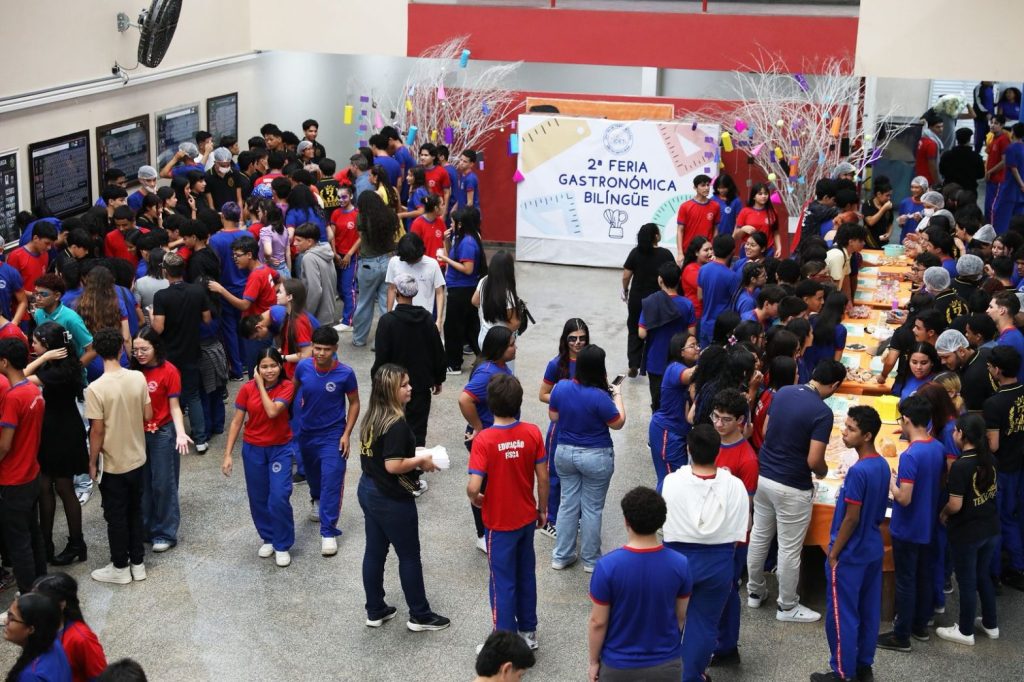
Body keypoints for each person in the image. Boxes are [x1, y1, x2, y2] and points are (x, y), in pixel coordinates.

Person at [747, 359, 846, 623]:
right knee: (789, 548)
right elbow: (814, 460)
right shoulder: (822, 412)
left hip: (764, 476)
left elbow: (766, 430)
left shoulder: (783, 393)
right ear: (835, 385)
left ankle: (755, 592)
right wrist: (823, 472)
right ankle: (787, 605)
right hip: (793, 485)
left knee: (759, 536)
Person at [357, 363, 449, 632]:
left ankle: (375, 609)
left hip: (368, 488)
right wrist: (421, 460)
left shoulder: (373, 416)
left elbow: (383, 454)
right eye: (404, 385)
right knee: (409, 556)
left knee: (375, 551)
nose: (410, 388)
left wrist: (414, 452)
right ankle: (420, 615)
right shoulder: (396, 424)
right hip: (390, 497)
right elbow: (393, 465)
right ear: (390, 391)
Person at [467, 374, 548, 649]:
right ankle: (528, 632)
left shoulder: (485, 440)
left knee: (502, 582)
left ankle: (504, 642)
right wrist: (542, 509)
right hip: (526, 517)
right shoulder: (532, 432)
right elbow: (543, 476)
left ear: (490, 404)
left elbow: (474, 485)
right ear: (518, 403)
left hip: (499, 523)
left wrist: (475, 497)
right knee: (526, 576)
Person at [661, 424, 748, 682]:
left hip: (676, 559)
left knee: (669, 620)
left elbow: (658, 521)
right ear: (718, 451)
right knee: (704, 624)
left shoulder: (671, 482)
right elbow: (741, 532)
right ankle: (691, 676)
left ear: (688, 449)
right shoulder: (735, 486)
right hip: (718, 561)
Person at [810, 406, 889, 682]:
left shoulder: (858, 472)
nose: (844, 432)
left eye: (851, 429)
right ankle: (864, 665)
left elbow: (851, 518)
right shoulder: (882, 465)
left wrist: (834, 552)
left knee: (842, 615)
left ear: (867, 436)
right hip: (872, 547)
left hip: (850, 552)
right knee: (868, 611)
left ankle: (842, 672)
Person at [586, 486, 690, 682]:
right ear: (661, 521)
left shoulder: (607, 566)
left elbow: (598, 622)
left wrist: (593, 662)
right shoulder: (680, 564)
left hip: (618, 665)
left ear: (626, 521)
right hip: (666, 663)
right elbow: (680, 616)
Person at [877, 395, 946, 653]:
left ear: (906, 420)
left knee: (905, 580)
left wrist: (890, 481)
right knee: (924, 575)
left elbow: (904, 498)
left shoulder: (910, 455)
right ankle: (920, 626)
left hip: (908, 527)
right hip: (928, 523)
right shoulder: (937, 447)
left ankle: (901, 635)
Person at [549, 344, 625, 573]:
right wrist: (617, 395)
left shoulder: (561, 387)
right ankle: (591, 560)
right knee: (592, 508)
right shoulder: (601, 397)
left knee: (567, 504)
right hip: (596, 456)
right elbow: (618, 423)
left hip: (565, 453)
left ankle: (561, 556)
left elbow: (553, 416)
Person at [85, 328, 151, 585]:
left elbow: (97, 431)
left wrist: (92, 462)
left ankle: (120, 566)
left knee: (116, 516)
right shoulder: (138, 377)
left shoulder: (95, 388)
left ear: (97, 352)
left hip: (113, 464)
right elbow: (148, 414)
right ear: (121, 349)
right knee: (135, 510)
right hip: (137, 457)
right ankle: (138, 563)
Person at [221, 347, 296, 567]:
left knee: (279, 496)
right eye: (264, 367)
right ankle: (269, 537)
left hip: (279, 449)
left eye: (273, 365)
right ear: (257, 368)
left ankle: (282, 544)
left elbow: (272, 411)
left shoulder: (287, 386)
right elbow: (236, 421)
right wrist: (227, 454)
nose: (269, 370)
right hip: (253, 449)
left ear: (280, 366)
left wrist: (260, 385)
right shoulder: (246, 389)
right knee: (258, 497)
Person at [23, 323, 88, 566]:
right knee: (44, 486)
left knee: (63, 486)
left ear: (48, 346)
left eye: (36, 342)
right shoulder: (59, 364)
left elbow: (20, 378)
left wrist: (42, 359)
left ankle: (76, 543)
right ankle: (45, 542)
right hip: (52, 430)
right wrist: (45, 358)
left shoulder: (58, 370)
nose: (32, 345)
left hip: (62, 433)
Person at [292, 326, 359, 556]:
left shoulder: (345, 373)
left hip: (333, 435)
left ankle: (328, 531)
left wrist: (346, 434)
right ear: (312, 346)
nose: (321, 353)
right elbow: (292, 392)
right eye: (317, 348)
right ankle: (316, 499)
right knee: (313, 476)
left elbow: (355, 403)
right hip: (306, 433)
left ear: (335, 349)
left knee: (332, 478)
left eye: (326, 349)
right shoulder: (303, 367)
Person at [935, 414, 1000, 646]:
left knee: (966, 581)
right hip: (990, 527)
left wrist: (943, 513)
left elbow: (955, 504)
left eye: (955, 431)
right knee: (983, 575)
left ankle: (965, 631)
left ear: (961, 434)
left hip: (968, 532)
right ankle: (991, 624)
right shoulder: (990, 458)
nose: (953, 434)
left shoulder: (961, 466)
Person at [708, 389, 759, 669]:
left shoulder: (747, 459)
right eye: (715, 416)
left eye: (725, 419)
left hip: (732, 538)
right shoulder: (711, 443)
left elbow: (745, 507)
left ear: (740, 420)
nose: (718, 423)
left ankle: (727, 647)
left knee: (727, 592)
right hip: (708, 531)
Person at [130, 327, 191, 553]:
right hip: (138, 433)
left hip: (163, 433)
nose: (140, 354)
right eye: (136, 350)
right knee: (143, 484)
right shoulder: (133, 373)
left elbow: (175, 407)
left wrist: (181, 432)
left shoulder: (169, 371)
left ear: (156, 347)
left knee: (164, 484)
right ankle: (146, 528)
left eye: (144, 349)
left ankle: (165, 532)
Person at [460, 327, 518, 552]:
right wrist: (478, 427)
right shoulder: (486, 373)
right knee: (483, 487)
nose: (515, 348)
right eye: (511, 345)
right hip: (486, 441)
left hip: (497, 439)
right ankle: (482, 534)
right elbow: (465, 399)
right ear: (500, 348)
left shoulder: (499, 366)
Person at [372, 274, 446, 447]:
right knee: (418, 429)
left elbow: (382, 356)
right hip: (421, 384)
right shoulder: (427, 318)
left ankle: (394, 457)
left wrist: (377, 382)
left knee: (391, 425)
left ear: (396, 292)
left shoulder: (387, 321)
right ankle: (416, 459)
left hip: (393, 385)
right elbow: (437, 350)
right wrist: (438, 378)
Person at [151, 252, 211, 453]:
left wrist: (151, 316)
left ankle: (173, 437)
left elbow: (158, 328)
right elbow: (207, 319)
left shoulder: (161, 296)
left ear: (165, 272)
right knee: (193, 394)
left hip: (169, 354)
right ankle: (200, 439)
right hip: (192, 349)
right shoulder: (197, 291)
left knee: (171, 396)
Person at [0, 339, 47, 594]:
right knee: (33, 534)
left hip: (13, 479)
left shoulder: (13, 397)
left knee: (18, 543)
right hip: (31, 472)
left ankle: (28, 596)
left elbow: (5, 445)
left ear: (5, 362)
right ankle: (41, 585)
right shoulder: (32, 390)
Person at [982, 345, 1024, 591]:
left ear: (997, 370)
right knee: (1012, 516)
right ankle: (1016, 565)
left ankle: (995, 572)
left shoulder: (994, 403)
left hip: (1002, 468)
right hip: (1019, 462)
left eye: (990, 367)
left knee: (997, 520)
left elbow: (993, 445)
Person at [638, 261, 695, 410]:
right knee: (679, 400)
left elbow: (642, 333)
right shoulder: (687, 304)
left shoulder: (651, 302)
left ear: (660, 280)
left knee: (657, 402)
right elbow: (692, 333)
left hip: (655, 360)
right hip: (679, 361)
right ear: (679, 279)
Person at [31, 573, 107, 681]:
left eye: (38, 602)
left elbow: (101, 678)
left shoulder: (82, 638)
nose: (32, 606)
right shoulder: (38, 627)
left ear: (61, 604)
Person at [622, 223, 674, 376]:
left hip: (637, 298)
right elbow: (672, 275)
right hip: (656, 299)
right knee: (654, 330)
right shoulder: (665, 254)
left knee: (634, 329)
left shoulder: (635, 253)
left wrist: (625, 289)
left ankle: (633, 363)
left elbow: (626, 276)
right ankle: (651, 361)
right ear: (656, 236)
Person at [439, 207, 487, 373]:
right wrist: (446, 242)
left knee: (453, 327)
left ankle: (453, 364)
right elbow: (453, 256)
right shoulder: (461, 238)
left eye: (453, 222)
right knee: (470, 328)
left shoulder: (467, 242)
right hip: (461, 288)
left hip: (462, 289)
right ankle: (484, 357)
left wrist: (445, 260)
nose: (451, 224)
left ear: (460, 224)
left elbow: (467, 269)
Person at [648, 332, 699, 489]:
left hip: (678, 432)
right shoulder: (674, 368)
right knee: (670, 482)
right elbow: (689, 375)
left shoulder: (685, 367)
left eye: (697, 345)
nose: (697, 348)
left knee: (676, 482)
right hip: (667, 432)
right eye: (692, 346)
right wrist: (710, 358)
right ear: (680, 351)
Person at [207, 202, 251, 378]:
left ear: (223, 216)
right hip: (247, 287)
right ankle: (248, 361)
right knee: (246, 325)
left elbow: (214, 265)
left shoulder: (215, 240)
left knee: (229, 329)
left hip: (225, 288)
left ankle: (237, 368)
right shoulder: (248, 235)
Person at [352, 192, 401, 348]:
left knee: (364, 302)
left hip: (368, 263)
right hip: (388, 260)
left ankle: (359, 339)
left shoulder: (361, 217)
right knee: (387, 302)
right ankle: (386, 340)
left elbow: (361, 236)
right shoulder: (390, 215)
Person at [2, 592, 71, 682]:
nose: (5, 621)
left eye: (11, 618)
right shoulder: (53, 641)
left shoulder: (31, 676)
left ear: (31, 629)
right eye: (8, 615)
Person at [384, 233, 446, 324]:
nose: (410, 262)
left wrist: (439, 320)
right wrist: (389, 315)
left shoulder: (432, 264)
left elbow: (439, 293)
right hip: (399, 318)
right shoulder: (394, 262)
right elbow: (391, 289)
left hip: (422, 319)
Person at [934, 329, 996, 412]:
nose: (943, 362)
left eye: (946, 357)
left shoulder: (970, 379)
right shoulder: (986, 351)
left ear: (961, 351)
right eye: (941, 358)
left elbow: (976, 414)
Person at [291, 223, 339, 326]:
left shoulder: (309, 258)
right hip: (328, 312)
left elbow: (315, 290)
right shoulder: (326, 251)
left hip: (317, 317)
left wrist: (307, 315)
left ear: (309, 242)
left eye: (298, 240)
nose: (294, 243)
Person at [697, 234, 740, 347]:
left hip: (705, 324)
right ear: (732, 251)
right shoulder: (732, 276)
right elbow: (737, 302)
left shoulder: (703, 269)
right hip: (722, 328)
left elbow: (700, 296)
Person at [330, 185, 360, 330]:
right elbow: (332, 236)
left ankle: (348, 321)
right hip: (337, 256)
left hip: (351, 256)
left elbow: (361, 237)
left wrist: (349, 254)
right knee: (340, 288)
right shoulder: (336, 213)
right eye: (339, 197)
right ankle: (351, 312)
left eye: (344, 197)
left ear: (351, 196)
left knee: (348, 288)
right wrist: (335, 253)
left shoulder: (357, 214)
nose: (341, 200)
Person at [991, 122, 1024, 234]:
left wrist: (1021, 184)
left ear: (1013, 133)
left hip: (1010, 188)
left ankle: (1000, 238)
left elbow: (1013, 169)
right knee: (1019, 219)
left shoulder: (1010, 148)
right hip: (1020, 192)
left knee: (1002, 216)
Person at [676, 174, 719, 256]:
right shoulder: (685, 206)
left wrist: (713, 248)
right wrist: (680, 253)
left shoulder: (715, 206)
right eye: (703, 185)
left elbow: (715, 229)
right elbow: (680, 230)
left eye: (708, 185)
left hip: (706, 251)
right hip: (688, 251)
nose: (706, 188)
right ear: (695, 188)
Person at [734, 183, 779, 256]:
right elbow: (735, 236)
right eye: (760, 194)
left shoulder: (772, 212)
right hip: (749, 250)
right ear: (754, 196)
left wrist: (779, 248)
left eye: (766, 193)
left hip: (767, 250)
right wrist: (743, 229)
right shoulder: (745, 211)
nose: (764, 196)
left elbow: (776, 232)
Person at [988, 290, 1024, 382]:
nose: (987, 311)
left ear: (1002, 311)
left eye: (991, 307)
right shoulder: (1014, 334)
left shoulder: (1006, 342)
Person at [985, 115, 1012, 221]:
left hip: (998, 179)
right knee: (988, 206)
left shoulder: (1004, 140)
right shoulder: (993, 138)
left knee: (992, 207)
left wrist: (990, 172)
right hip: (991, 178)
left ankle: (992, 228)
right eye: (991, 122)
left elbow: (1005, 161)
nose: (992, 125)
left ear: (1002, 125)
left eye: (996, 123)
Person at [679, 236, 711, 320]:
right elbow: (708, 287)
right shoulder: (690, 269)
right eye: (706, 250)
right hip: (696, 315)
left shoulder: (705, 267)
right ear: (696, 253)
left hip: (705, 313)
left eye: (711, 249)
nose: (710, 253)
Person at [862, 177, 895, 249]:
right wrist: (883, 209)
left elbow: (890, 223)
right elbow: (870, 222)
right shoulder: (868, 204)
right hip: (869, 244)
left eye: (890, 195)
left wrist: (888, 234)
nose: (889, 198)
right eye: (887, 195)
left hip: (884, 244)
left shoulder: (888, 205)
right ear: (879, 194)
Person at [915, 112, 944, 186]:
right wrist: (937, 181)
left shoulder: (922, 138)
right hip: (928, 178)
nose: (941, 129)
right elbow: (932, 165)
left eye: (942, 126)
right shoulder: (931, 144)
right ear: (930, 127)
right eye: (937, 127)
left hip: (919, 175)